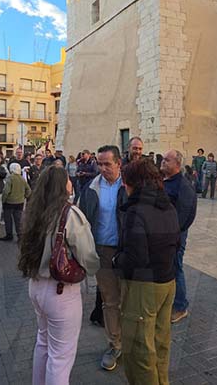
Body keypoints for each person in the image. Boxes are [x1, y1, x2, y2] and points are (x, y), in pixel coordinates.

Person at [18, 167, 99, 385]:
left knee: (43, 342)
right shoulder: (70, 214)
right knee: (61, 356)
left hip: (36, 284)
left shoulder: (34, 211)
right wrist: (93, 268)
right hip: (61, 290)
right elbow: (87, 255)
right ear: (63, 186)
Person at [112, 159, 180, 385]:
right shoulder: (168, 206)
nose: (124, 186)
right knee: (160, 342)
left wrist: (116, 260)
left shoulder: (136, 211)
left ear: (133, 183)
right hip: (167, 281)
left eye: (125, 181)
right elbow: (176, 242)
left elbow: (136, 258)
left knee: (139, 349)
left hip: (144, 286)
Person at [78, 145, 128, 372]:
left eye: (107, 164)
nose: (103, 168)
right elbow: (81, 220)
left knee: (130, 300)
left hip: (127, 251)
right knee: (110, 301)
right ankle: (114, 345)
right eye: (100, 164)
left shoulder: (129, 186)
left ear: (119, 163)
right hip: (103, 252)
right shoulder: (91, 188)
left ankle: (132, 342)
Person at [160, 150, 197, 324]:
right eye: (163, 159)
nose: (163, 162)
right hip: (162, 233)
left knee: (176, 267)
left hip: (174, 236)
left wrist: (174, 233)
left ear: (177, 164)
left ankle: (181, 306)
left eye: (167, 160)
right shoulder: (164, 180)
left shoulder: (183, 185)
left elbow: (186, 214)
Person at [1, 162, 31, 241]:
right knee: (18, 220)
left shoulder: (10, 178)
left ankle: (9, 235)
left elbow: (6, 191)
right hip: (20, 202)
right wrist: (24, 196)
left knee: (8, 219)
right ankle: (20, 236)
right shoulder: (22, 179)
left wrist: (3, 200)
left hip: (9, 202)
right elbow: (28, 190)